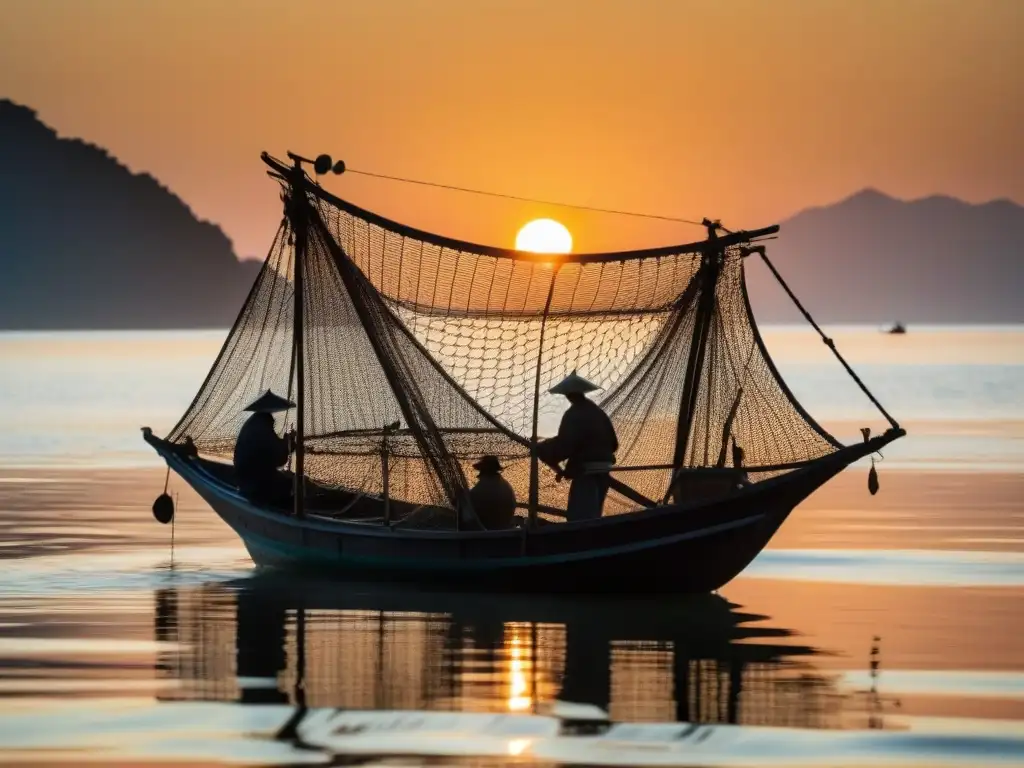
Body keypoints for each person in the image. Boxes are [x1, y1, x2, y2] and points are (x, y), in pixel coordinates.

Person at [539, 371, 618, 522]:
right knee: (594, 514)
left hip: (586, 471)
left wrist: (543, 450)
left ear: (568, 395)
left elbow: (565, 445)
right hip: (604, 469)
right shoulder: (598, 412)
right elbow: (613, 444)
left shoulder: (573, 414)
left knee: (581, 518)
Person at [233, 389, 296, 509]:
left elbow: (274, 452)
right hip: (255, 485)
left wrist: (287, 442)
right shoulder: (262, 428)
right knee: (290, 484)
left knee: (288, 480)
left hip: (245, 480)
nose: (274, 421)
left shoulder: (254, 423)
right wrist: (289, 443)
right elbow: (279, 460)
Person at [467, 455, 517, 530]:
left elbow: (466, 501)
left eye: (481, 470)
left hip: (489, 530)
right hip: (505, 528)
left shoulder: (484, 486)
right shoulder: (504, 484)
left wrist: (461, 497)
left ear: (484, 471)